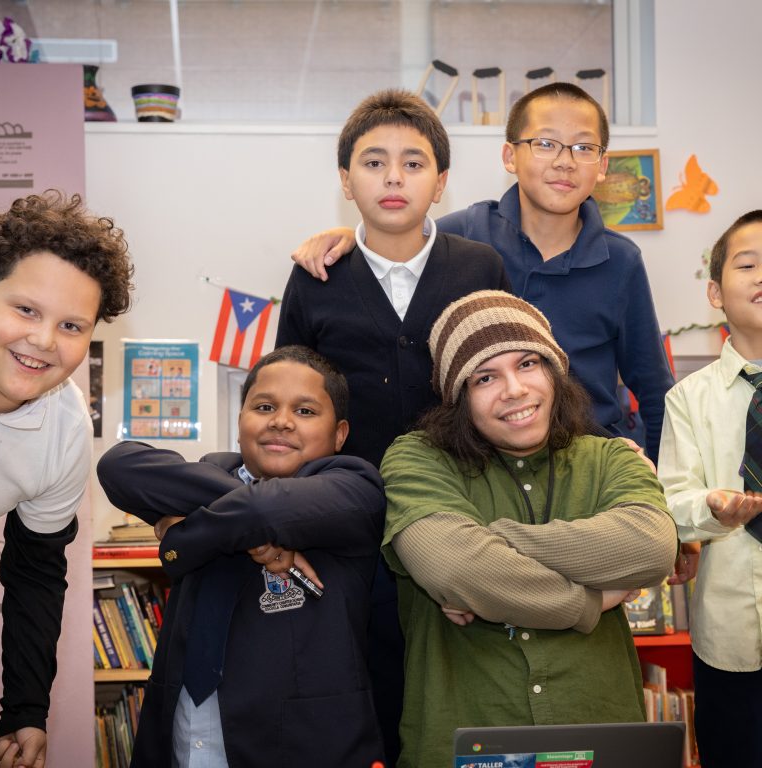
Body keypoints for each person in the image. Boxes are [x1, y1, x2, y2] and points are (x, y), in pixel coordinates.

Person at [275, 88, 509, 764]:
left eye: (414, 163)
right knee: (357, 678)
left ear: (440, 182)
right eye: (374, 163)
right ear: (347, 183)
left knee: (450, 677)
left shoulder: (480, 268)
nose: (394, 177)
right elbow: (291, 398)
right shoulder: (318, 275)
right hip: (346, 516)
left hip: (457, 506)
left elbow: (503, 386)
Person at [289, 82, 673, 463]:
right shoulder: (469, 237)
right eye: (545, 143)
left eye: (583, 147)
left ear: (602, 164)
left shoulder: (620, 260)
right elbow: (403, 232)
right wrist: (349, 240)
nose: (564, 160)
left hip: (585, 450)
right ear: (510, 156)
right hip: (469, 458)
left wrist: (656, 477)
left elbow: (654, 388)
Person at [380, 290, 678, 768]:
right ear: (458, 396)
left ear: (554, 372)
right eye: (485, 377)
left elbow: (651, 548)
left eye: (528, 364)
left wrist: (488, 543)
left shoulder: (612, 457)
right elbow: (456, 566)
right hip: (463, 739)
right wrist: (589, 600)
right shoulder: (417, 458)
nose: (514, 389)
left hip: (601, 738)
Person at [96, 346, 386, 768]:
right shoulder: (213, 473)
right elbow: (117, 466)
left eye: (305, 411)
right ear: (240, 421)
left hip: (302, 745)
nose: (281, 420)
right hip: (182, 734)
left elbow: (263, 510)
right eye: (264, 406)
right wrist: (247, 516)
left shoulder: (354, 489)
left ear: (339, 434)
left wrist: (187, 527)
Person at [0, 191, 133, 768]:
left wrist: (26, 709)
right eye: (26, 310)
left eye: (72, 325)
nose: (45, 340)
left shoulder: (66, 426)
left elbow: (35, 571)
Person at [658, 210, 762, 768]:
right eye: (749, 265)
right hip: (729, 638)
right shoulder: (688, 399)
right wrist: (712, 509)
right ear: (716, 292)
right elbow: (672, 502)